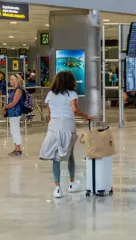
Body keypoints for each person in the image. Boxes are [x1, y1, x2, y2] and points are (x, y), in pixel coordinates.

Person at [38, 70, 89, 198]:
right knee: (70, 154)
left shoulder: (50, 94)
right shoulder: (72, 94)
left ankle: (58, 188)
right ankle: (72, 184)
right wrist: (86, 116)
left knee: (56, 158)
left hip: (54, 127)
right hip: (68, 126)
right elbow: (74, 109)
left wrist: (51, 117)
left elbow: (48, 111)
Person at [3, 74, 25, 156]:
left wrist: (5, 107)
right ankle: (16, 148)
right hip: (12, 113)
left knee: (15, 130)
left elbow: (14, 103)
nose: (10, 81)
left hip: (15, 113)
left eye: (12, 79)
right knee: (13, 130)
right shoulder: (14, 90)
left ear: (16, 80)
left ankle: (18, 149)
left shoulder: (18, 90)